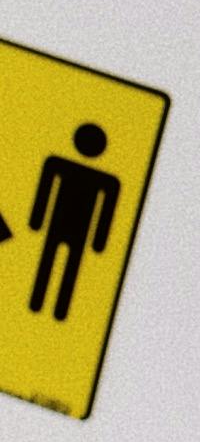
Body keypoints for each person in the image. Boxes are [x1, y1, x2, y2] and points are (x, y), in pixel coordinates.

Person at [25, 124, 119, 324]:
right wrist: (36, 221)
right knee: (49, 262)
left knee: (69, 267)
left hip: (77, 231)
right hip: (58, 225)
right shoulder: (57, 164)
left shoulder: (105, 180)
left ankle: (58, 309)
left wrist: (99, 241)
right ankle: (37, 301)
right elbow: (45, 189)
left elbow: (107, 210)